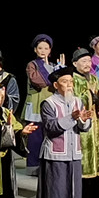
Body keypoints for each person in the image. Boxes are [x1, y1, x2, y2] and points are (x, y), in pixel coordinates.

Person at [37, 67, 91, 198]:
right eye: (65, 82)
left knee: (72, 191)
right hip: (55, 154)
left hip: (74, 153)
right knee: (55, 191)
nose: (69, 85)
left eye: (71, 82)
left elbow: (83, 128)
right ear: (56, 85)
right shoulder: (48, 103)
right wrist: (72, 118)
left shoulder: (78, 102)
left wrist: (84, 121)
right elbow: (51, 128)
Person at [71, 48, 99, 198]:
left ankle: (94, 197)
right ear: (75, 64)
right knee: (84, 157)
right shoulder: (72, 79)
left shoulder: (94, 78)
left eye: (88, 61)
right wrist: (90, 96)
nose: (87, 64)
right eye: (83, 61)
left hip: (95, 124)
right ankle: (81, 197)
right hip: (81, 125)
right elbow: (73, 100)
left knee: (96, 155)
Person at [23, 34, 65, 176]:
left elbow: (61, 83)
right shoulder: (32, 65)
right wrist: (54, 74)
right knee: (35, 137)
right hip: (35, 104)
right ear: (35, 49)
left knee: (49, 136)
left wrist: (61, 71)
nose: (43, 51)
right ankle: (33, 166)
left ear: (50, 50)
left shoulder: (53, 65)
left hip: (50, 103)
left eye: (46, 48)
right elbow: (38, 81)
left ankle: (47, 166)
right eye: (40, 48)